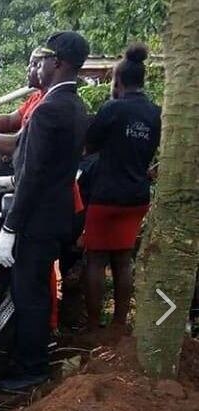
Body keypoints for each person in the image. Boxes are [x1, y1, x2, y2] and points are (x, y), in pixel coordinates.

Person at [0, 31, 89, 392]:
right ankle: (30, 361)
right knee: (35, 293)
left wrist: (10, 228)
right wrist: (9, 181)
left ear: (56, 63)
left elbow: (33, 175)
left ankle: (31, 370)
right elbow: (43, 168)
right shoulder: (75, 106)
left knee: (29, 295)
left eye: (40, 60)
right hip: (54, 215)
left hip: (38, 220)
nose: (36, 67)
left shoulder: (49, 109)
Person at [83, 44, 161, 331]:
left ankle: (93, 326)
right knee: (123, 259)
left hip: (106, 196)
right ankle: (118, 326)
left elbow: (89, 145)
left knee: (95, 259)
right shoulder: (155, 113)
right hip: (137, 196)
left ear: (118, 81)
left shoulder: (112, 108)